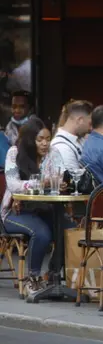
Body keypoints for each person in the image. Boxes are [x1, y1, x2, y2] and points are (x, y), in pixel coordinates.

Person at [2, 117, 70, 298]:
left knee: (69, 231)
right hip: (16, 211)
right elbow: (13, 184)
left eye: (48, 139)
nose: (45, 143)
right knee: (41, 233)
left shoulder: (53, 153)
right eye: (40, 139)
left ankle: (53, 275)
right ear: (30, 140)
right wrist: (40, 182)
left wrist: (62, 184)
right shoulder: (14, 153)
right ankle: (32, 278)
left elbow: (61, 176)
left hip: (46, 208)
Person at [50, 100, 93, 173]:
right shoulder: (62, 148)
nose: (91, 128)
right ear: (80, 120)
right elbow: (75, 181)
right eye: (90, 124)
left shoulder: (79, 139)